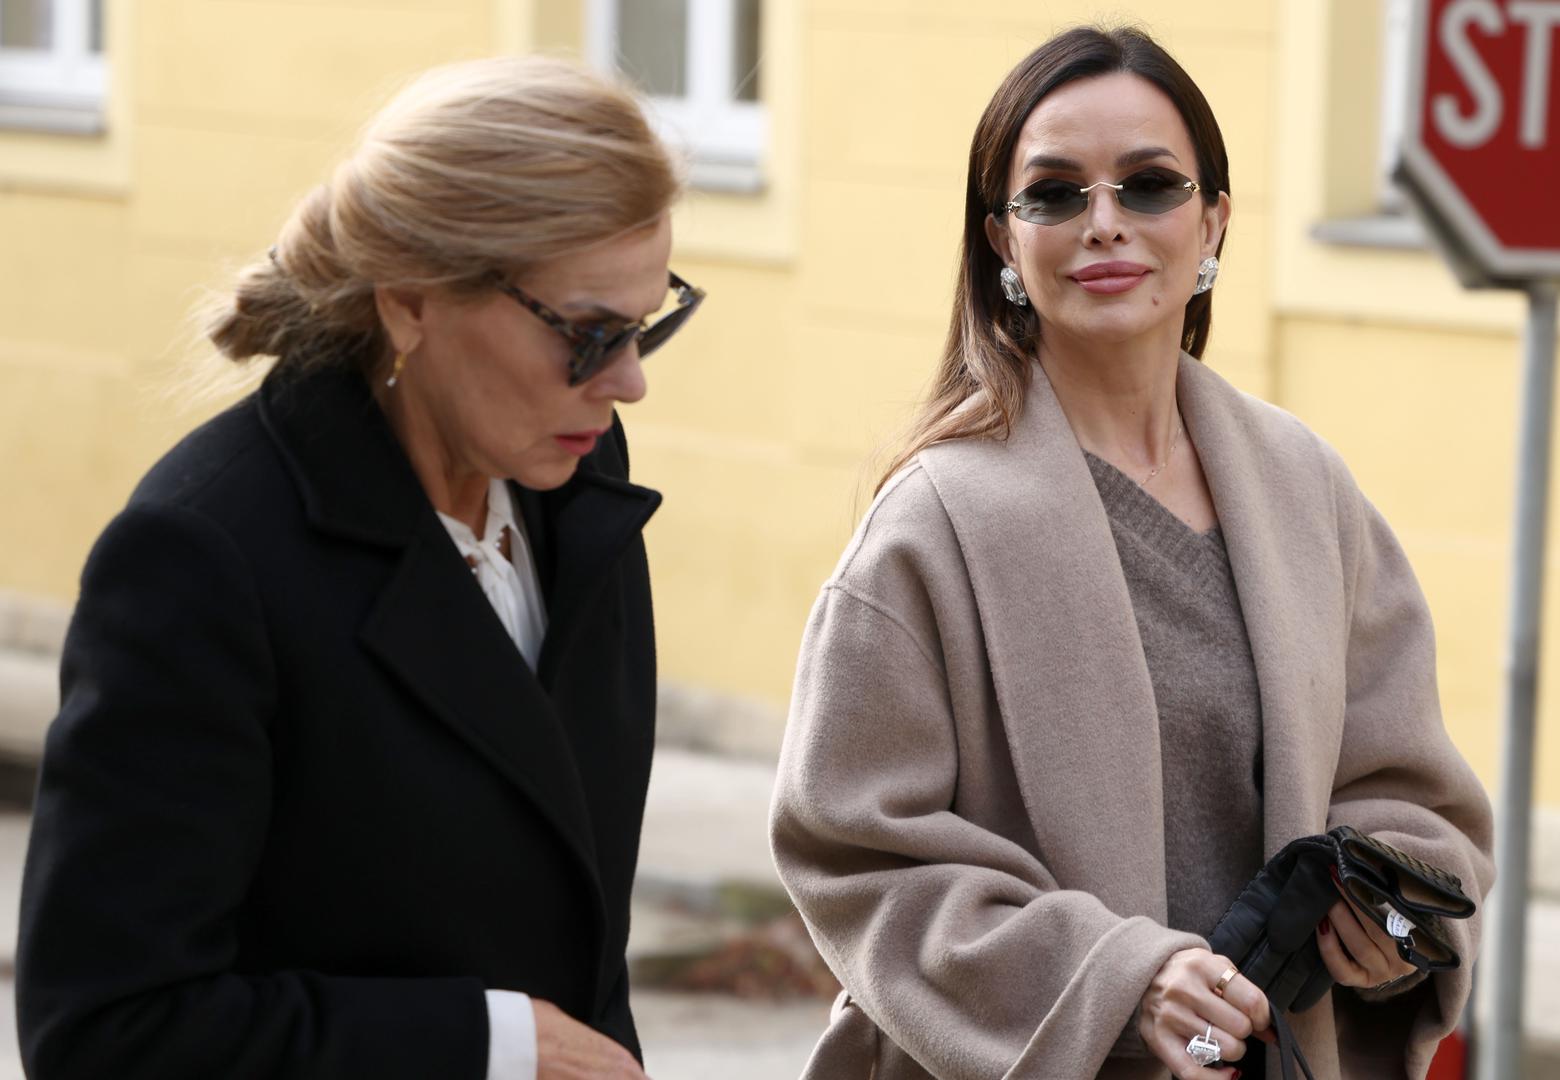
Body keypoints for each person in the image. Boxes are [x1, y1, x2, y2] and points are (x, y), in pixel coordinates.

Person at [769, 25, 1492, 1080]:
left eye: (1149, 185)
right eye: (1054, 193)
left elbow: (1409, 789)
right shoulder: (929, 527)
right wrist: (1119, 981)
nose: (1103, 221)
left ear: (1214, 222)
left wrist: (1387, 915)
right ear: (1003, 242)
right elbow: (858, 860)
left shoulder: (1306, 488)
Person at [17, 56, 702, 1080]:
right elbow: (107, 1030)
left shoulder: (576, 473)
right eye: (590, 335)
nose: (629, 382)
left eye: (647, 326)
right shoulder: (201, 558)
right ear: (411, 300)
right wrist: (489, 1045)